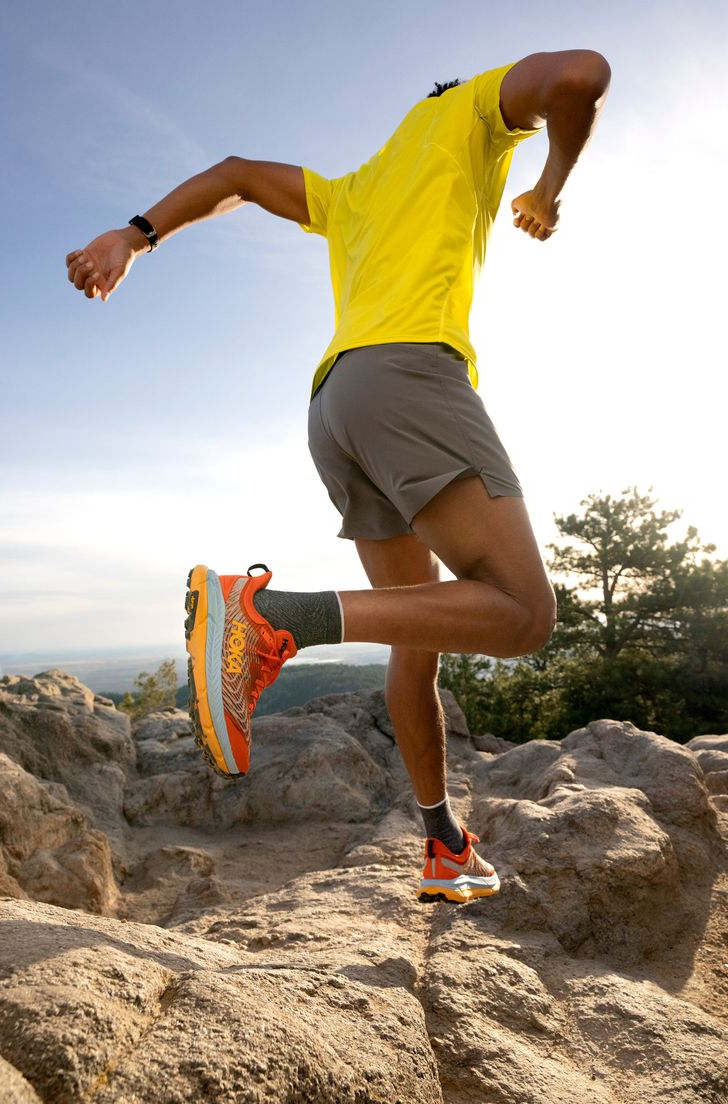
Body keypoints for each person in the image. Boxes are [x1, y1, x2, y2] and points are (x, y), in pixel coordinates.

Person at [66, 49, 611, 904]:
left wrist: (132, 235)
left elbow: (238, 174)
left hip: (335, 407)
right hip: (410, 382)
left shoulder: (356, 190)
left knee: (419, 638)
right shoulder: (470, 114)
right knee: (521, 612)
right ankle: (269, 617)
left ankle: (440, 842)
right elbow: (581, 73)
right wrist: (549, 186)